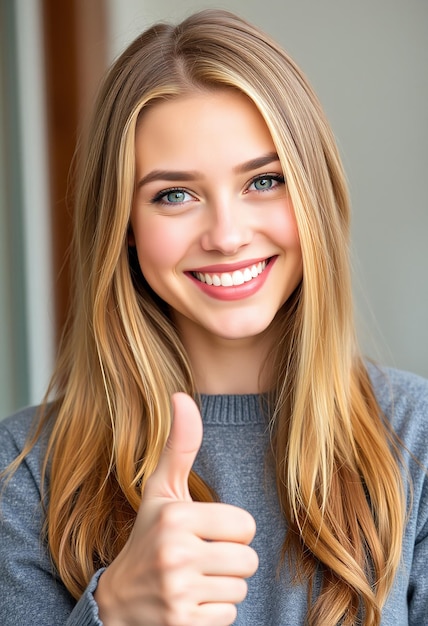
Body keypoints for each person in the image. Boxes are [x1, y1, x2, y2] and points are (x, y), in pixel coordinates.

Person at [0, 8, 427, 626]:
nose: (227, 236)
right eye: (175, 195)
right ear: (122, 224)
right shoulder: (22, 474)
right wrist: (113, 613)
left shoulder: (417, 445)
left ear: (316, 193)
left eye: (265, 181)